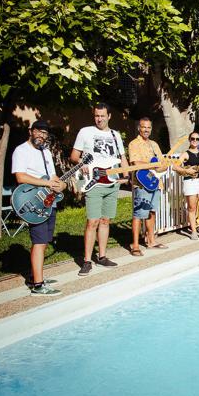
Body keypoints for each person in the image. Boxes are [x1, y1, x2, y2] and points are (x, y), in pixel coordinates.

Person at [71, 102, 127, 276]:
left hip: (112, 183)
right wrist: (81, 164)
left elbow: (122, 158)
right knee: (92, 222)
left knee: (105, 220)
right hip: (93, 183)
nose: (99, 119)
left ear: (109, 116)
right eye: (97, 115)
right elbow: (74, 156)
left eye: (102, 116)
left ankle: (102, 256)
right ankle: (87, 261)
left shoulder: (115, 135)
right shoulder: (85, 132)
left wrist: (126, 176)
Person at [12, 120, 66, 296]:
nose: (41, 136)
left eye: (44, 133)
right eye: (38, 132)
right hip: (32, 201)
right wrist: (47, 182)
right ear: (30, 131)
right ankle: (38, 285)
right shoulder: (21, 151)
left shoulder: (46, 152)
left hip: (48, 201)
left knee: (44, 241)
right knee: (39, 241)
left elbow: (53, 176)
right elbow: (20, 177)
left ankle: (37, 275)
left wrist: (61, 184)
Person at [127, 117, 168, 255]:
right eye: (144, 127)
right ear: (139, 128)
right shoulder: (134, 144)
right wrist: (151, 165)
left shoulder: (154, 145)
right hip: (141, 184)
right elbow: (135, 163)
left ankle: (151, 241)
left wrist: (159, 168)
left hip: (155, 182)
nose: (146, 130)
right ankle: (135, 245)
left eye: (148, 128)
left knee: (152, 211)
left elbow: (162, 164)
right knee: (138, 214)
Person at [174, 131, 199, 240]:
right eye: (193, 139)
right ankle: (194, 231)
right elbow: (175, 167)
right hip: (189, 182)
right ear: (189, 140)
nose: (195, 141)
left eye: (197, 139)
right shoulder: (185, 154)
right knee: (192, 208)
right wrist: (187, 171)